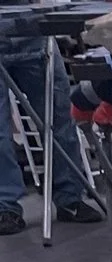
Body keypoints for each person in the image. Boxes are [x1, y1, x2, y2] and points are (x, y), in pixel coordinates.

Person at [1, 45, 104, 237]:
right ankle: (4, 207)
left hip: (36, 39)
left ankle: (69, 198)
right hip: (31, 38)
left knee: (59, 120)